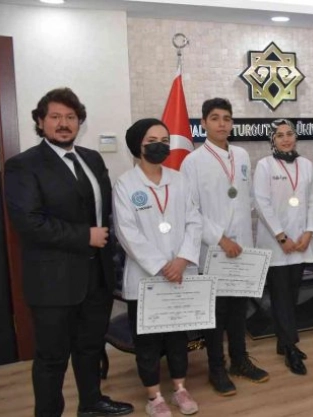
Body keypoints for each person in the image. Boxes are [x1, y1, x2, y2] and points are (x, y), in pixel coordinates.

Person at [4, 88, 134, 417]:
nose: (64, 123)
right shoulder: (23, 165)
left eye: (71, 117)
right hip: (53, 281)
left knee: (89, 348)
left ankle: (91, 403)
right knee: (52, 358)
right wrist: (84, 236)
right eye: (55, 117)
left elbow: (104, 212)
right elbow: (29, 222)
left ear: (79, 122)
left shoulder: (92, 159)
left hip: (97, 278)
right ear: (40, 121)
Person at [113, 118, 202, 417]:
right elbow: (126, 232)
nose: (160, 146)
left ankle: (180, 389)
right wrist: (163, 265)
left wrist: (182, 260)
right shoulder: (126, 184)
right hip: (146, 278)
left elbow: (194, 221)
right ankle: (154, 397)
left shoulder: (180, 180)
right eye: (152, 141)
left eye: (164, 140)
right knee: (147, 341)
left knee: (178, 337)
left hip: (179, 274)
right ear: (138, 145)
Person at [181, 98, 269, 395]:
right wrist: (220, 238)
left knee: (238, 310)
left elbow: (246, 198)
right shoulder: (192, 162)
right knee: (215, 314)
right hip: (214, 250)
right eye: (215, 118)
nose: (222, 124)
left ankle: (240, 361)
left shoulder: (241, 155)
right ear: (203, 123)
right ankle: (216, 367)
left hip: (242, 247)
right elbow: (191, 209)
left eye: (227, 118)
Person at [253, 119, 313, 375]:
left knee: (292, 296)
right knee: (281, 297)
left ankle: (283, 342)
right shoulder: (264, 166)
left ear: (295, 137)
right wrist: (281, 237)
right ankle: (291, 348)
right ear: (272, 140)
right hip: (277, 244)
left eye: (289, 133)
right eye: (279, 135)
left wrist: (309, 232)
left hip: (301, 243)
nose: (285, 139)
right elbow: (262, 204)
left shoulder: (306, 165)